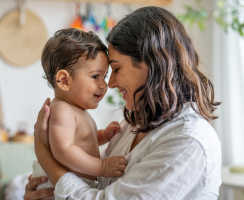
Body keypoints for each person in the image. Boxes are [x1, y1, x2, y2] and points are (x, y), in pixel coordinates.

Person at [24, 6, 222, 200]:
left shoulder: (188, 141)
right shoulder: (133, 124)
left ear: (151, 64)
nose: (109, 84)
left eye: (115, 70)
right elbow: (96, 182)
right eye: (96, 76)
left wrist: (44, 155)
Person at [31, 28, 128, 191]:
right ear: (64, 80)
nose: (104, 84)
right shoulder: (62, 110)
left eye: (104, 76)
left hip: (71, 185)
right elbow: (64, 150)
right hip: (56, 187)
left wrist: (103, 135)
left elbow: (81, 140)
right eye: (95, 76)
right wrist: (102, 167)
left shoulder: (76, 110)